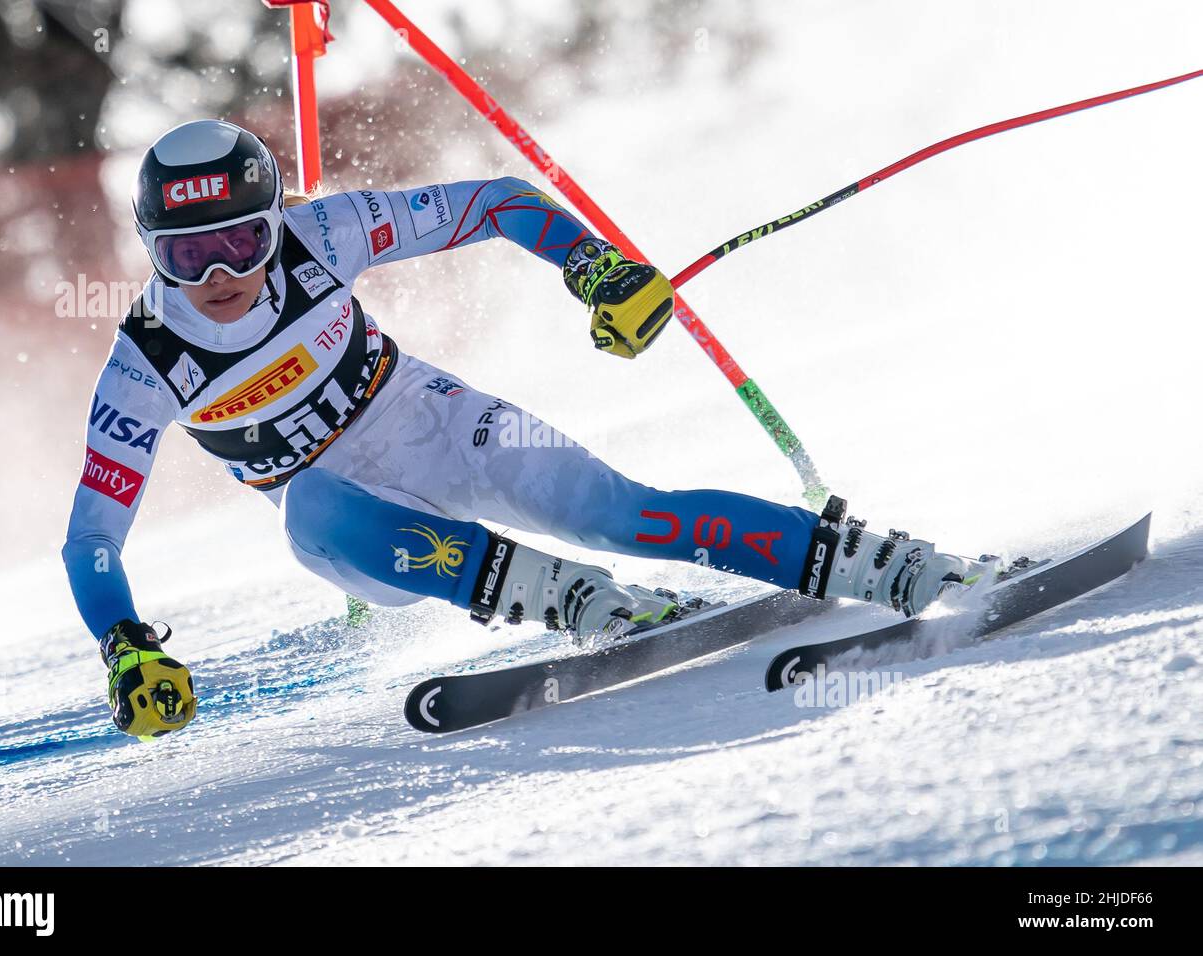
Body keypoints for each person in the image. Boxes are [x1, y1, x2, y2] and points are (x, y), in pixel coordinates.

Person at [63, 120, 988, 738]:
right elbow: (92, 538)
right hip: (362, 535)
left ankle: (882, 562)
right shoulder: (145, 362)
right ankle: (572, 598)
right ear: (151, 253)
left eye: (241, 240)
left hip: (430, 418)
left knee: (627, 512)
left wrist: (593, 267)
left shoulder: (327, 232)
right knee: (308, 506)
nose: (219, 272)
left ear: (278, 221)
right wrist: (127, 645)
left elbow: (500, 201)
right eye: (186, 254)